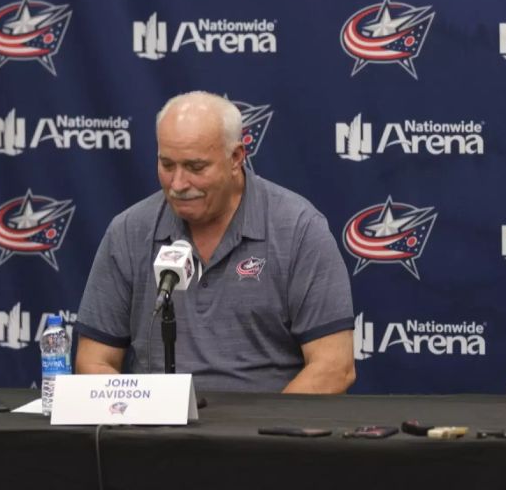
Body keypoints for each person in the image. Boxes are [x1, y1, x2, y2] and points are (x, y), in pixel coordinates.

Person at [75, 91, 355, 393]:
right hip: (155, 433)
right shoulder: (128, 231)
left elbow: (334, 366)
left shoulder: (299, 229)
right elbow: (93, 362)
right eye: (167, 165)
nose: (179, 184)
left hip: (264, 433)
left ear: (236, 157)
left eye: (196, 168)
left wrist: (260, 434)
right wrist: (142, 414)